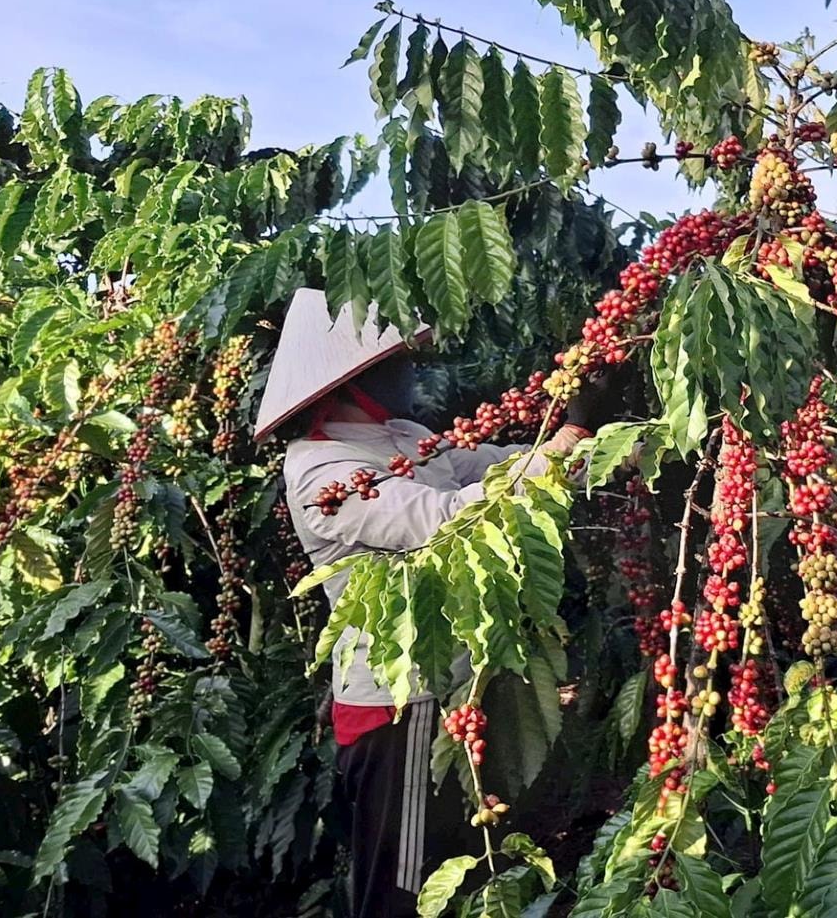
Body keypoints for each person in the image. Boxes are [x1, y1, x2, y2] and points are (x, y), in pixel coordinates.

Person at [252, 288, 616, 917]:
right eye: (397, 361)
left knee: (457, 862)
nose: (410, 370)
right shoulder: (322, 468)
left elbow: (494, 467)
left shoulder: (405, 434)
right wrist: (566, 441)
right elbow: (446, 520)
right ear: (355, 376)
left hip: (454, 681)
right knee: (398, 885)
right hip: (402, 701)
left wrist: (590, 452)